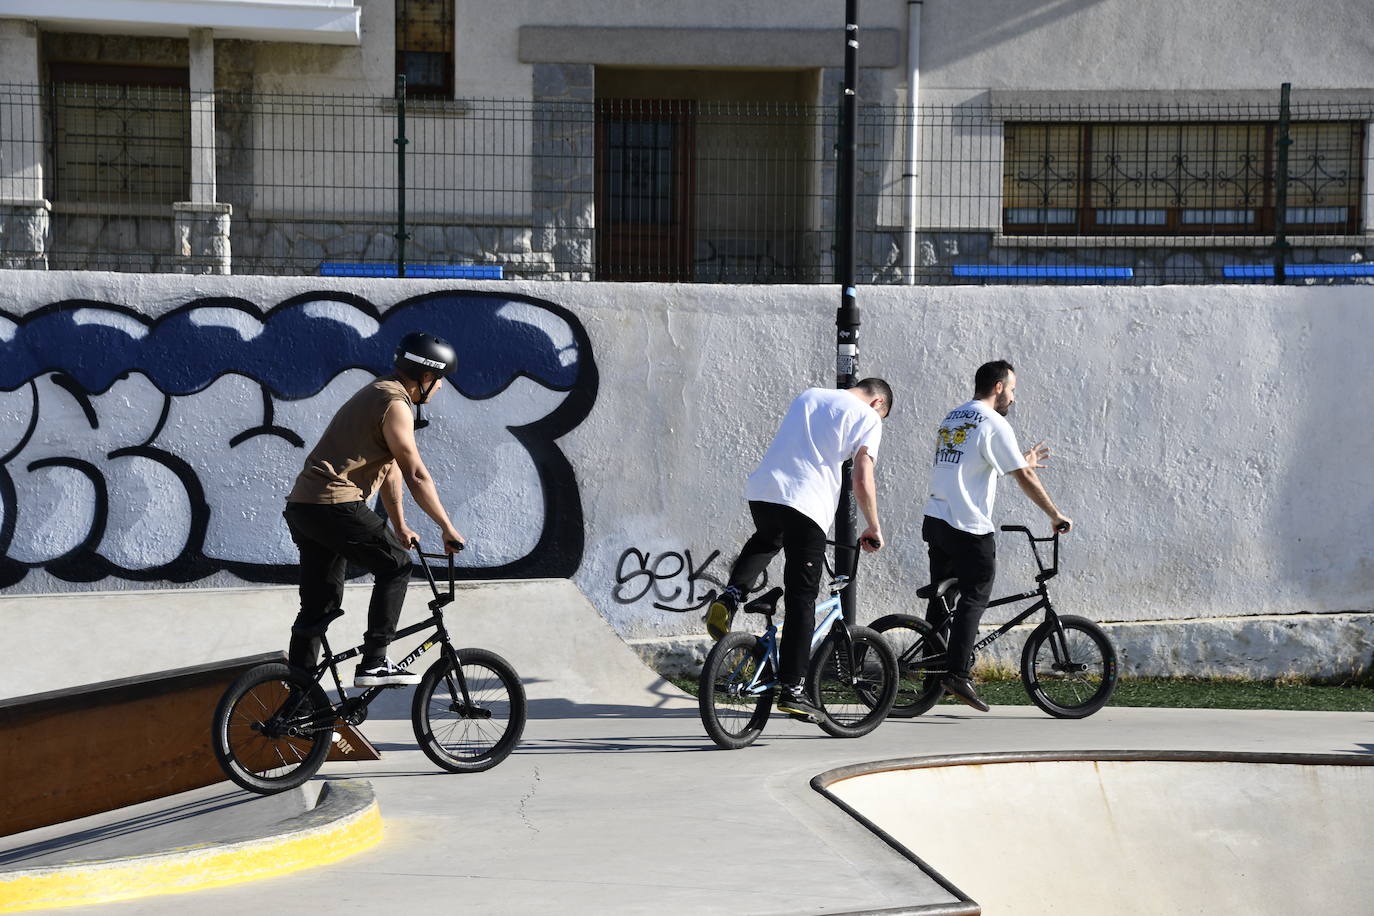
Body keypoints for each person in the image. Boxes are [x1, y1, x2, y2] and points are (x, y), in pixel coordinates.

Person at [283, 331, 467, 687]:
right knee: (397, 565)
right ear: (426, 377)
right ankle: (375, 661)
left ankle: (298, 697)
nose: (442, 388)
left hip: (306, 507)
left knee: (318, 606)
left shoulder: (378, 393)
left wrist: (399, 524)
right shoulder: (395, 403)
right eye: (441, 379)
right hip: (336, 503)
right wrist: (446, 525)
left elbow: (392, 471)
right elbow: (416, 472)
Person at [705, 379, 892, 721]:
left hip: (764, 491)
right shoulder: (869, 418)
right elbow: (862, 477)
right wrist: (873, 525)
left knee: (766, 540)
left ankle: (730, 595)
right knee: (801, 599)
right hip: (807, 505)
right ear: (878, 402)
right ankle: (793, 689)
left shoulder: (809, 396)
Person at [923, 359, 1071, 712]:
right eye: (1013, 389)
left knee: (942, 603)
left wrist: (1021, 461)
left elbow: (975, 463)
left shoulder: (955, 416)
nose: (1015, 399)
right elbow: (1023, 478)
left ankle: (932, 677)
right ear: (999, 387)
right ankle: (958, 673)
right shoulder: (994, 422)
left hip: (936, 519)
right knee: (976, 594)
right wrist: (1055, 514)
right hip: (967, 525)